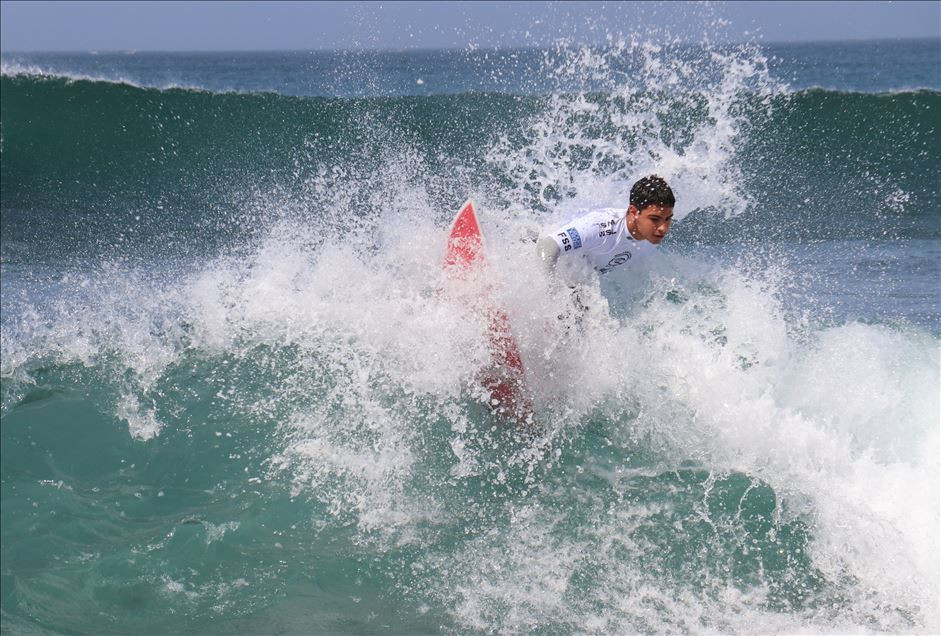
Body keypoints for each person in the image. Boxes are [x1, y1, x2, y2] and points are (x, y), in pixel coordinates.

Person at [536, 175, 675, 278]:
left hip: (579, 279)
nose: (663, 228)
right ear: (633, 212)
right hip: (537, 261)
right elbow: (548, 245)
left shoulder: (651, 238)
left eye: (668, 219)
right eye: (654, 219)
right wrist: (551, 295)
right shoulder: (602, 228)